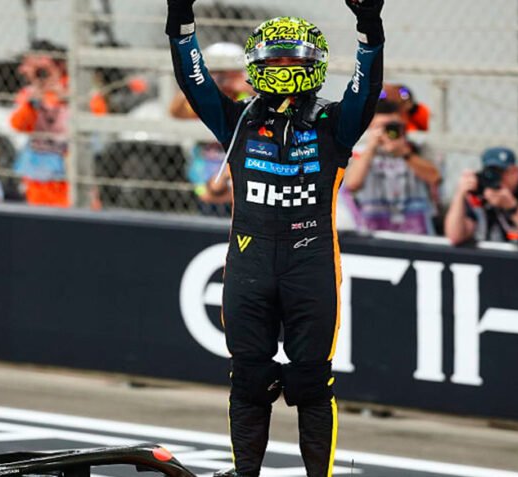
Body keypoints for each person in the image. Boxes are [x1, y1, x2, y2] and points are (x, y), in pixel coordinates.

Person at [166, 1, 385, 476]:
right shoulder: (237, 121)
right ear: (256, 65)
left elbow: (367, 88)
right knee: (249, 380)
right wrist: (180, 20)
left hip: (312, 266)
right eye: (275, 59)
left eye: (293, 59)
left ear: (314, 64)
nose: (284, 67)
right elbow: (194, 82)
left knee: (311, 383)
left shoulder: (336, 124)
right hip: (250, 265)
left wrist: (370, 28)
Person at [169, 42, 255, 215]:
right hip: (205, 176)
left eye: (227, 72)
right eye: (217, 71)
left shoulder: (246, 96)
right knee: (211, 190)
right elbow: (176, 111)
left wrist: (241, 84)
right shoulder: (205, 101)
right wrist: (202, 82)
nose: (223, 78)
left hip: (242, 176)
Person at [344, 99, 440, 234]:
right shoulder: (358, 151)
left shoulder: (418, 148)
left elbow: (434, 177)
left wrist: (404, 153)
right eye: (381, 126)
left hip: (417, 231)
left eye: (392, 126)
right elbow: (352, 184)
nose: (388, 131)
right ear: (370, 126)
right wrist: (371, 147)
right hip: (373, 231)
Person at [10, 40, 77, 208]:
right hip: (38, 175)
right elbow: (19, 125)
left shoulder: (77, 88)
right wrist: (35, 100)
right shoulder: (29, 94)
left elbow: (98, 114)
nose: (24, 69)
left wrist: (66, 97)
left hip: (71, 175)